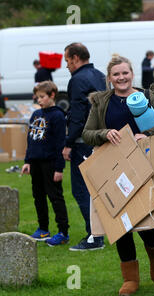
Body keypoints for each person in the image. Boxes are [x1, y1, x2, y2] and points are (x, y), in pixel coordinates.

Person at [82, 54, 154, 296]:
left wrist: (146, 133)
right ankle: (130, 278)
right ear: (110, 78)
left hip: (145, 163)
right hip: (114, 168)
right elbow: (87, 133)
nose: (121, 77)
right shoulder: (101, 101)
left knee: (144, 216)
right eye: (116, 74)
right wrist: (104, 133)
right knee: (119, 222)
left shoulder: (147, 96)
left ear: (131, 74)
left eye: (125, 73)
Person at [62, 43, 106, 251]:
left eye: (67, 61)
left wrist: (68, 143)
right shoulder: (99, 75)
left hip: (83, 142)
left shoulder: (78, 79)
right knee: (99, 188)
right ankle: (105, 230)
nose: (67, 66)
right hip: (102, 137)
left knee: (81, 190)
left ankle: (94, 236)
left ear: (76, 58)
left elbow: (79, 116)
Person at [22, 81, 69, 246]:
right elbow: (31, 140)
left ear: (52, 96)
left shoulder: (58, 116)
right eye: (37, 97)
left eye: (42, 97)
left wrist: (59, 168)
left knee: (55, 197)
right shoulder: (35, 115)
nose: (39, 100)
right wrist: (27, 161)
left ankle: (63, 232)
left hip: (50, 164)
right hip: (35, 163)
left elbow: (59, 144)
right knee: (38, 196)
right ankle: (43, 229)